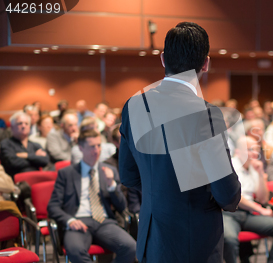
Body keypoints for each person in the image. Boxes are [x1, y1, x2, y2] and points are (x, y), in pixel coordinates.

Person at [119, 22, 241, 263]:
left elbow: (128, 176)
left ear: (163, 59)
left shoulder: (134, 105)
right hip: (195, 242)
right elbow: (227, 194)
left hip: (152, 238)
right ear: (205, 63)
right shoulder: (205, 113)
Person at [47, 129, 136, 263]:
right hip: (78, 222)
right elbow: (53, 206)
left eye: (99, 145)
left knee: (131, 247)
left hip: (104, 222)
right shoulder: (67, 173)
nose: (96, 150)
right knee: (75, 251)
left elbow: (122, 206)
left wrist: (112, 185)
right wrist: (70, 221)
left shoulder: (109, 170)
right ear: (81, 148)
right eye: (92, 146)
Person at [223, 137, 273, 263]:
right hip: (228, 213)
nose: (255, 153)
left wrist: (261, 174)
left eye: (257, 149)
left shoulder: (254, 168)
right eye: (250, 149)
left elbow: (263, 198)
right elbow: (235, 197)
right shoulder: (230, 166)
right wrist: (260, 209)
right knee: (229, 239)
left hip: (247, 214)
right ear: (238, 152)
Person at [0, 112, 49, 177]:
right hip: (17, 183)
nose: (23, 126)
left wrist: (26, 155)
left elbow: (45, 160)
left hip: (37, 178)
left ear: (29, 127)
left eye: (26, 123)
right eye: (20, 123)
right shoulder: (5, 143)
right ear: (12, 127)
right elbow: (12, 163)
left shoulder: (35, 144)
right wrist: (35, 157)